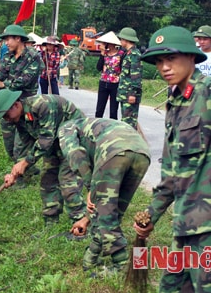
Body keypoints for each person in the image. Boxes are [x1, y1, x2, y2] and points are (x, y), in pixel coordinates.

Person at [135, 25, 211, 293]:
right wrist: (151, 214)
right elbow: (172, 171)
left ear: (191, 57)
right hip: (186, 223)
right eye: (159, 61)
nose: (164, 67)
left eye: (171, 58)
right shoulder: (175, 100)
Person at [58, 117, 150, 276]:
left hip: (114, 151)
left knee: (105, 215)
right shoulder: (88, 124)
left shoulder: (64, 129)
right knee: (114, 210)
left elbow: (75, 155)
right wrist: (87, 218)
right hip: (142, 152)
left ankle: (121, 264)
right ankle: (91, 257)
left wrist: (90, 187)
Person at [0, 89, 87, 228]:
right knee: (48, 180)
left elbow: (46, 139)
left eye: (6, 115)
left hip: (73, 140)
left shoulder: (42, 105)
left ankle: (80, 226)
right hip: (55, 142)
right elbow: (26, 145)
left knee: (67, 181)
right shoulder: (19, 119)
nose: (7, 119)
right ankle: (51, 224)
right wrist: (14, 173)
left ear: (16, 105)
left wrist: (25, 162)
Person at [0, 25, 43, 176]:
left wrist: (4, 85)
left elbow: (26, 80)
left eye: (8, 39)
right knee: (9, 144)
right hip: (8, 106)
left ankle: (20, 178)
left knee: (20, 145)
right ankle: (28, 168)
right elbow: (1, 74)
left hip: (25, 106)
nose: (6, 43)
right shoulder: (8, 56)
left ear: (18, 38)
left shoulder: (33, 56)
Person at [116, 27, 142, 129]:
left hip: (130, 95)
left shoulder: (135, 54)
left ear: (126, 40)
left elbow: (136, 76)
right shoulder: (128, 54)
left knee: (129, 123)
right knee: (125, 122)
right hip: (124, 94)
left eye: (121, 39)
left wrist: (132, 94)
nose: (120, 41)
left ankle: (132, 144)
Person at [94, 31, 124, 119]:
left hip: (115, 83)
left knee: (113, 110)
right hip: (103, 82)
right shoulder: (105, 54)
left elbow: (122, 68)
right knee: (99, 108)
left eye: (105, 43)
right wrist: (102, 54)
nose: (104, 45)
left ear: (111, 44)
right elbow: (99, 67)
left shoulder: (121, 54)